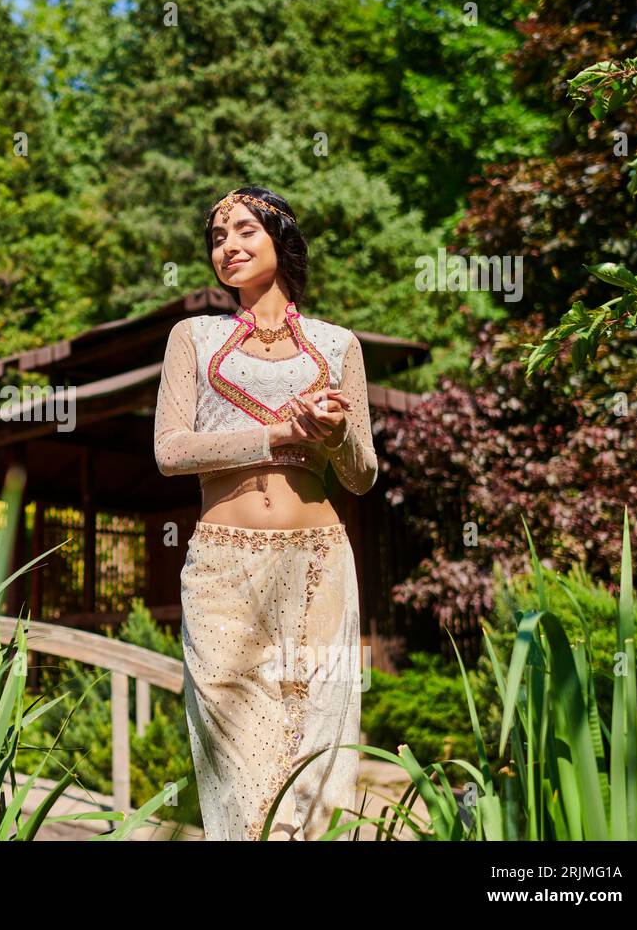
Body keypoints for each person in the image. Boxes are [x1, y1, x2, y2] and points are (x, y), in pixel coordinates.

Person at [153, 185, 377, 840]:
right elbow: (170, 452)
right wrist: (277, 436)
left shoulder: (339, 348)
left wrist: (332, 436)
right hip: (223, 573)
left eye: (244, 230)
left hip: (319, 570)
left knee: (315, 763)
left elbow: (361, 476)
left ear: (280, 238)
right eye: (218, 237)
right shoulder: (193, 337)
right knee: (242, 768)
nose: (228, 246)